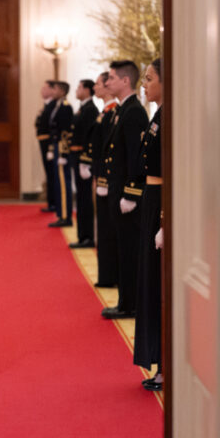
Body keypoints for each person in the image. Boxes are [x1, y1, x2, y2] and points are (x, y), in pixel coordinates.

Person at [100, 60, 150, 319]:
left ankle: (129, 304)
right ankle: (126, 300)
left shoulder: (133, 112)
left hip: (126, 197)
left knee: (129, 250)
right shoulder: (123, 110)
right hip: (117, 192)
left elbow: (136, 157)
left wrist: (131, 193)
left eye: (111, 78)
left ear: (125, 81)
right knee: (124, 248)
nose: (108, 82)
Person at [131, 59, 163, 391]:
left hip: (161, 202)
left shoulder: (170, 117)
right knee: (150, 283)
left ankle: (166, 365)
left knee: (159, 287)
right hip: (151, 198)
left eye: (150, 78)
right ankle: (158, 360)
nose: (145, 83)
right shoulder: (158, 116)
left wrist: (167, 220)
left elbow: (174, 172)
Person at [86, 72, 119, 287]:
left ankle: (110, 275)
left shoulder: (113, 112)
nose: (96, 87)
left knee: (108, 229)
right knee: (104, 227)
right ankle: (106, 274)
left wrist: (103, 178)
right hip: (100, 175)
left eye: (99, 84)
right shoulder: (104, 112)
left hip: (107, 178)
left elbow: (109, 150)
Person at [68, 79, 99, 247]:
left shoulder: (90, 110)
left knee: (85, 198)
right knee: (81, 197)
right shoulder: (83, 109)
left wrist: (85, 161)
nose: (77, 90)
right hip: (76, 156)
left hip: (82, 158)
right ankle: (82, 236)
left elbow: (89, 138)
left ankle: (87, 237)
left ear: (87, 90)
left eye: (79, 87)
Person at [48, 81, 74, 227]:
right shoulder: (57, 105)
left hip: (62, 148)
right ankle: (61, 213)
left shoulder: (65, 107)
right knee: (59, 183)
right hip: (57, 146)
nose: (53, 91)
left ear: (63, 92)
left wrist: (63, 154)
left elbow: (65, 132)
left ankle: (66, 216)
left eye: (56, 89)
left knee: (64, 183)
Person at [35, 81, 58, 213]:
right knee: (49, 173)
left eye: (45, 87)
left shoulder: (53, 105)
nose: (42, 90)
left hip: (49, 143)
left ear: (52, 89)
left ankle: (54, 203)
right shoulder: (47, 105)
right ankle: (51, 202)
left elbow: (53, 128)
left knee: (52, 174)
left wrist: (50, 148)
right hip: (43, 141)